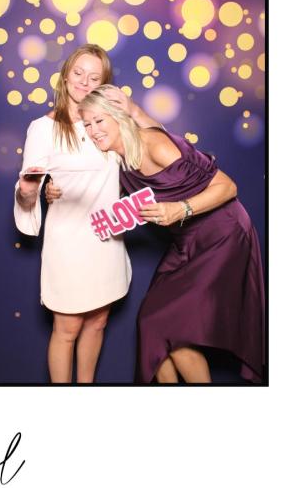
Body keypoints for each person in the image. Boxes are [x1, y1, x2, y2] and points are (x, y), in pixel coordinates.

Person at [79, 85, 265, 383]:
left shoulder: (155, 145)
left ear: (118, 117)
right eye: (87, 124)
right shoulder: (119, 159)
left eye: (99, 120)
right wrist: (50, 191)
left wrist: (180, 209)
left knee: (174, 332)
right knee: (151, 324)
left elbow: (228, 187)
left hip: (223, 234)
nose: (93, 131)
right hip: (186, 242)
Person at [14, 44, 160, 383]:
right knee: (66, 329)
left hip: (107, 239)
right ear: (65, 76)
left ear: (103, 84)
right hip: (68, 243)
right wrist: (32, 191)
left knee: (97, 322)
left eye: (94, 78)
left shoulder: (111, 122)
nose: (83, 82)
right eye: (78, 73)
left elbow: (157, 144)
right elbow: (27, 189)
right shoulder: (43, 128)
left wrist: (134, 110)